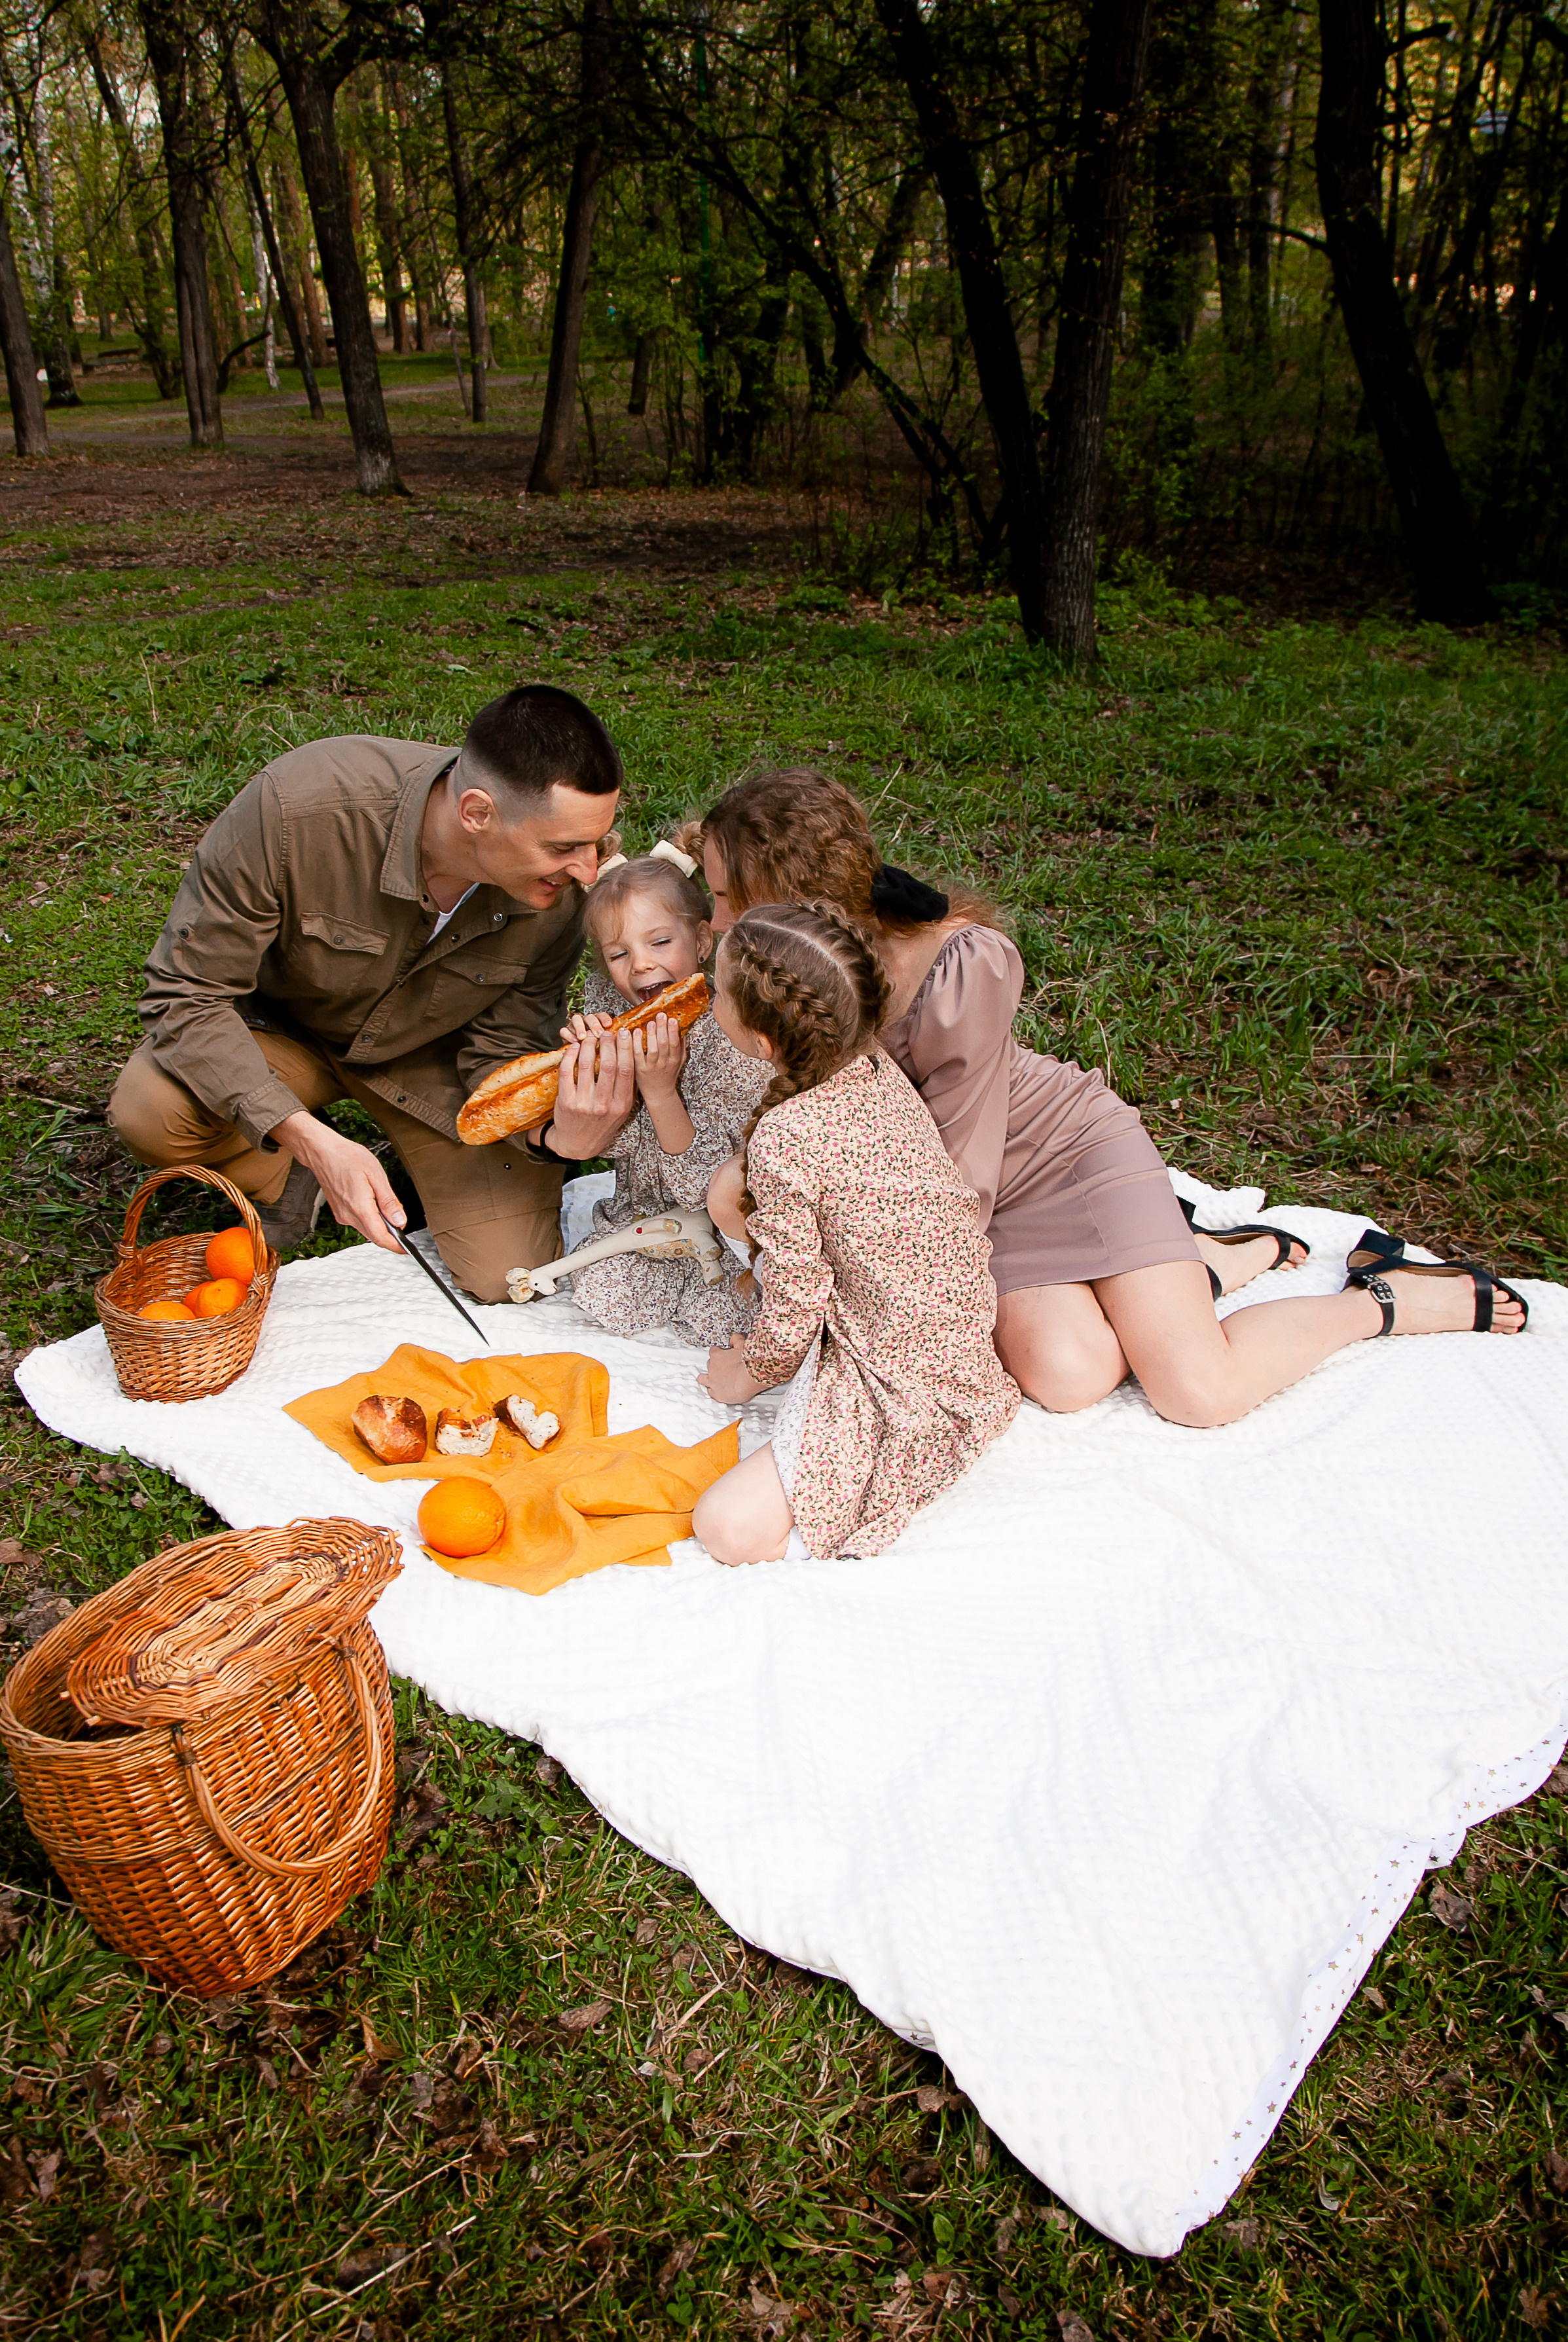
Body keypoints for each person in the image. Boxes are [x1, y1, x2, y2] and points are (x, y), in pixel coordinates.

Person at [687, 770, 1526, 1430]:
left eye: (725, 897)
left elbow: (960, 1172)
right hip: (949, 1192)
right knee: (1067, 1376)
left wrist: (851, 1267)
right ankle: (1204, 1261)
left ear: (787, 895)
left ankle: (1377, 1300)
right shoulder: (794, 981)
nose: (713, 917)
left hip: (1042, 1161)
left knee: (1198, 1390)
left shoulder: (962, 965)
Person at [107, 685, 633, 1302]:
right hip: (285, 1032)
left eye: (596, 840)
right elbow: (184, 992)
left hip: (436, 1062)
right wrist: (305, 1134)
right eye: (563, 847)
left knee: (507, 1277)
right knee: (150, 1108)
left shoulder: (562, 891)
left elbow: (508, 1044)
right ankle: (287, 1171)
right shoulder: (299, 810)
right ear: (476, 812)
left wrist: (547, 1138)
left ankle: (396, 1161)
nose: (589, 870)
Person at [691, 901, 1020, 1566]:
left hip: (899, 1360)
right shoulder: (871, 1066)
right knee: (729, 1190)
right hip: (941, 1319)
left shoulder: (788, 1136)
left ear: (760, 1041)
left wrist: (748, 1373)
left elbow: (798, 1302)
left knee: (726, 1527)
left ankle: (887, 1446)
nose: (707, 995)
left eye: (714, 990)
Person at [553, 843, 770, 1344]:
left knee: (724, 1317)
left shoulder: (733, 1040)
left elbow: (706, 1187)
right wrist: (591, 1068)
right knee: (602, 1289)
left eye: (659, 942)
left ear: (700, 941)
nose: (641, 965)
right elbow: (610, 1146)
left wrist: (659, 1092)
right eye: (619, 953)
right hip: (643, 1216)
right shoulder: (611, 1017)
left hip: (721, 1227)